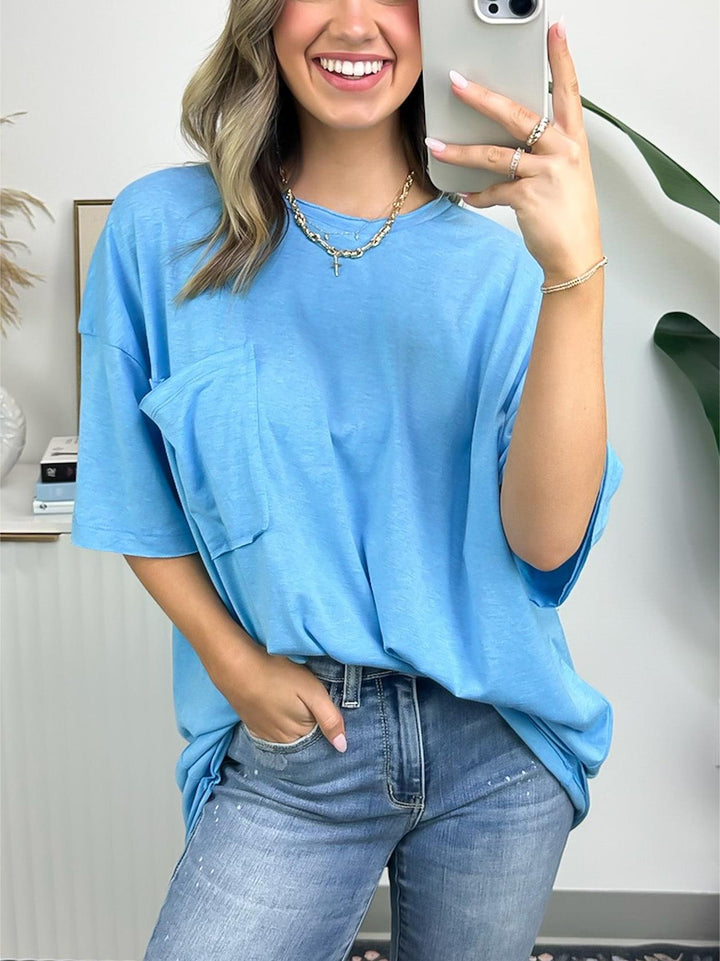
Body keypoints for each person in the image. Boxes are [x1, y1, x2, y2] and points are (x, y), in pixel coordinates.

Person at [71, 1, 624, 958]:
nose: (357, 21)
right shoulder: (159, 233)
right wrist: (236, 667)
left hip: (497, 745)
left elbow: (545, 545)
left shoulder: (501, 267)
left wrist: (576, 274)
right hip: (295, 750)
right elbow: (132, 494)